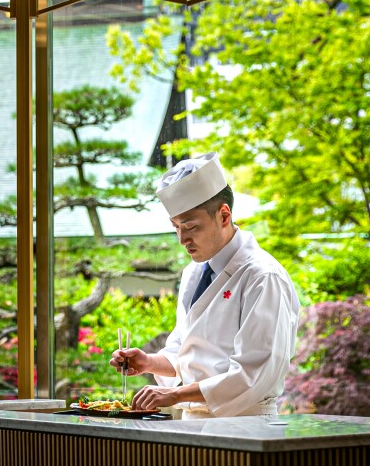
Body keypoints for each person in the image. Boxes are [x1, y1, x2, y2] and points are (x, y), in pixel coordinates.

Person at [110, 153, 300, 419]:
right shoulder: (194, 272)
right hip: (192, 423)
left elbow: (255, 372)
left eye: (191, 226)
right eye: (176, 227)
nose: (182, 239)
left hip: (245, 424)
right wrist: (149, 362)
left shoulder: (262, 276)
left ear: (224, 216)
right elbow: (184, 352)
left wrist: (176, 394)